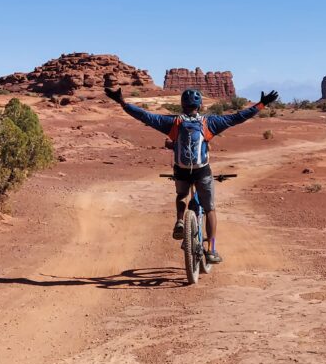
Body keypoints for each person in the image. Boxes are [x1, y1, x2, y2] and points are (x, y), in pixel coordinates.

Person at [104, 85, 278, 263]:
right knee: (209, 209)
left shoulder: (172, 123)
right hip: (202, 171)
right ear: (200, 105)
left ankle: (180, 220)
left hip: (181, 170)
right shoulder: (210, 123)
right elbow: (237, 117)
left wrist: (122, 102)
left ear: (182, 105)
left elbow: (145, 116)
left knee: (181, 195)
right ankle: (211, 249)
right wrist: (261, 104)